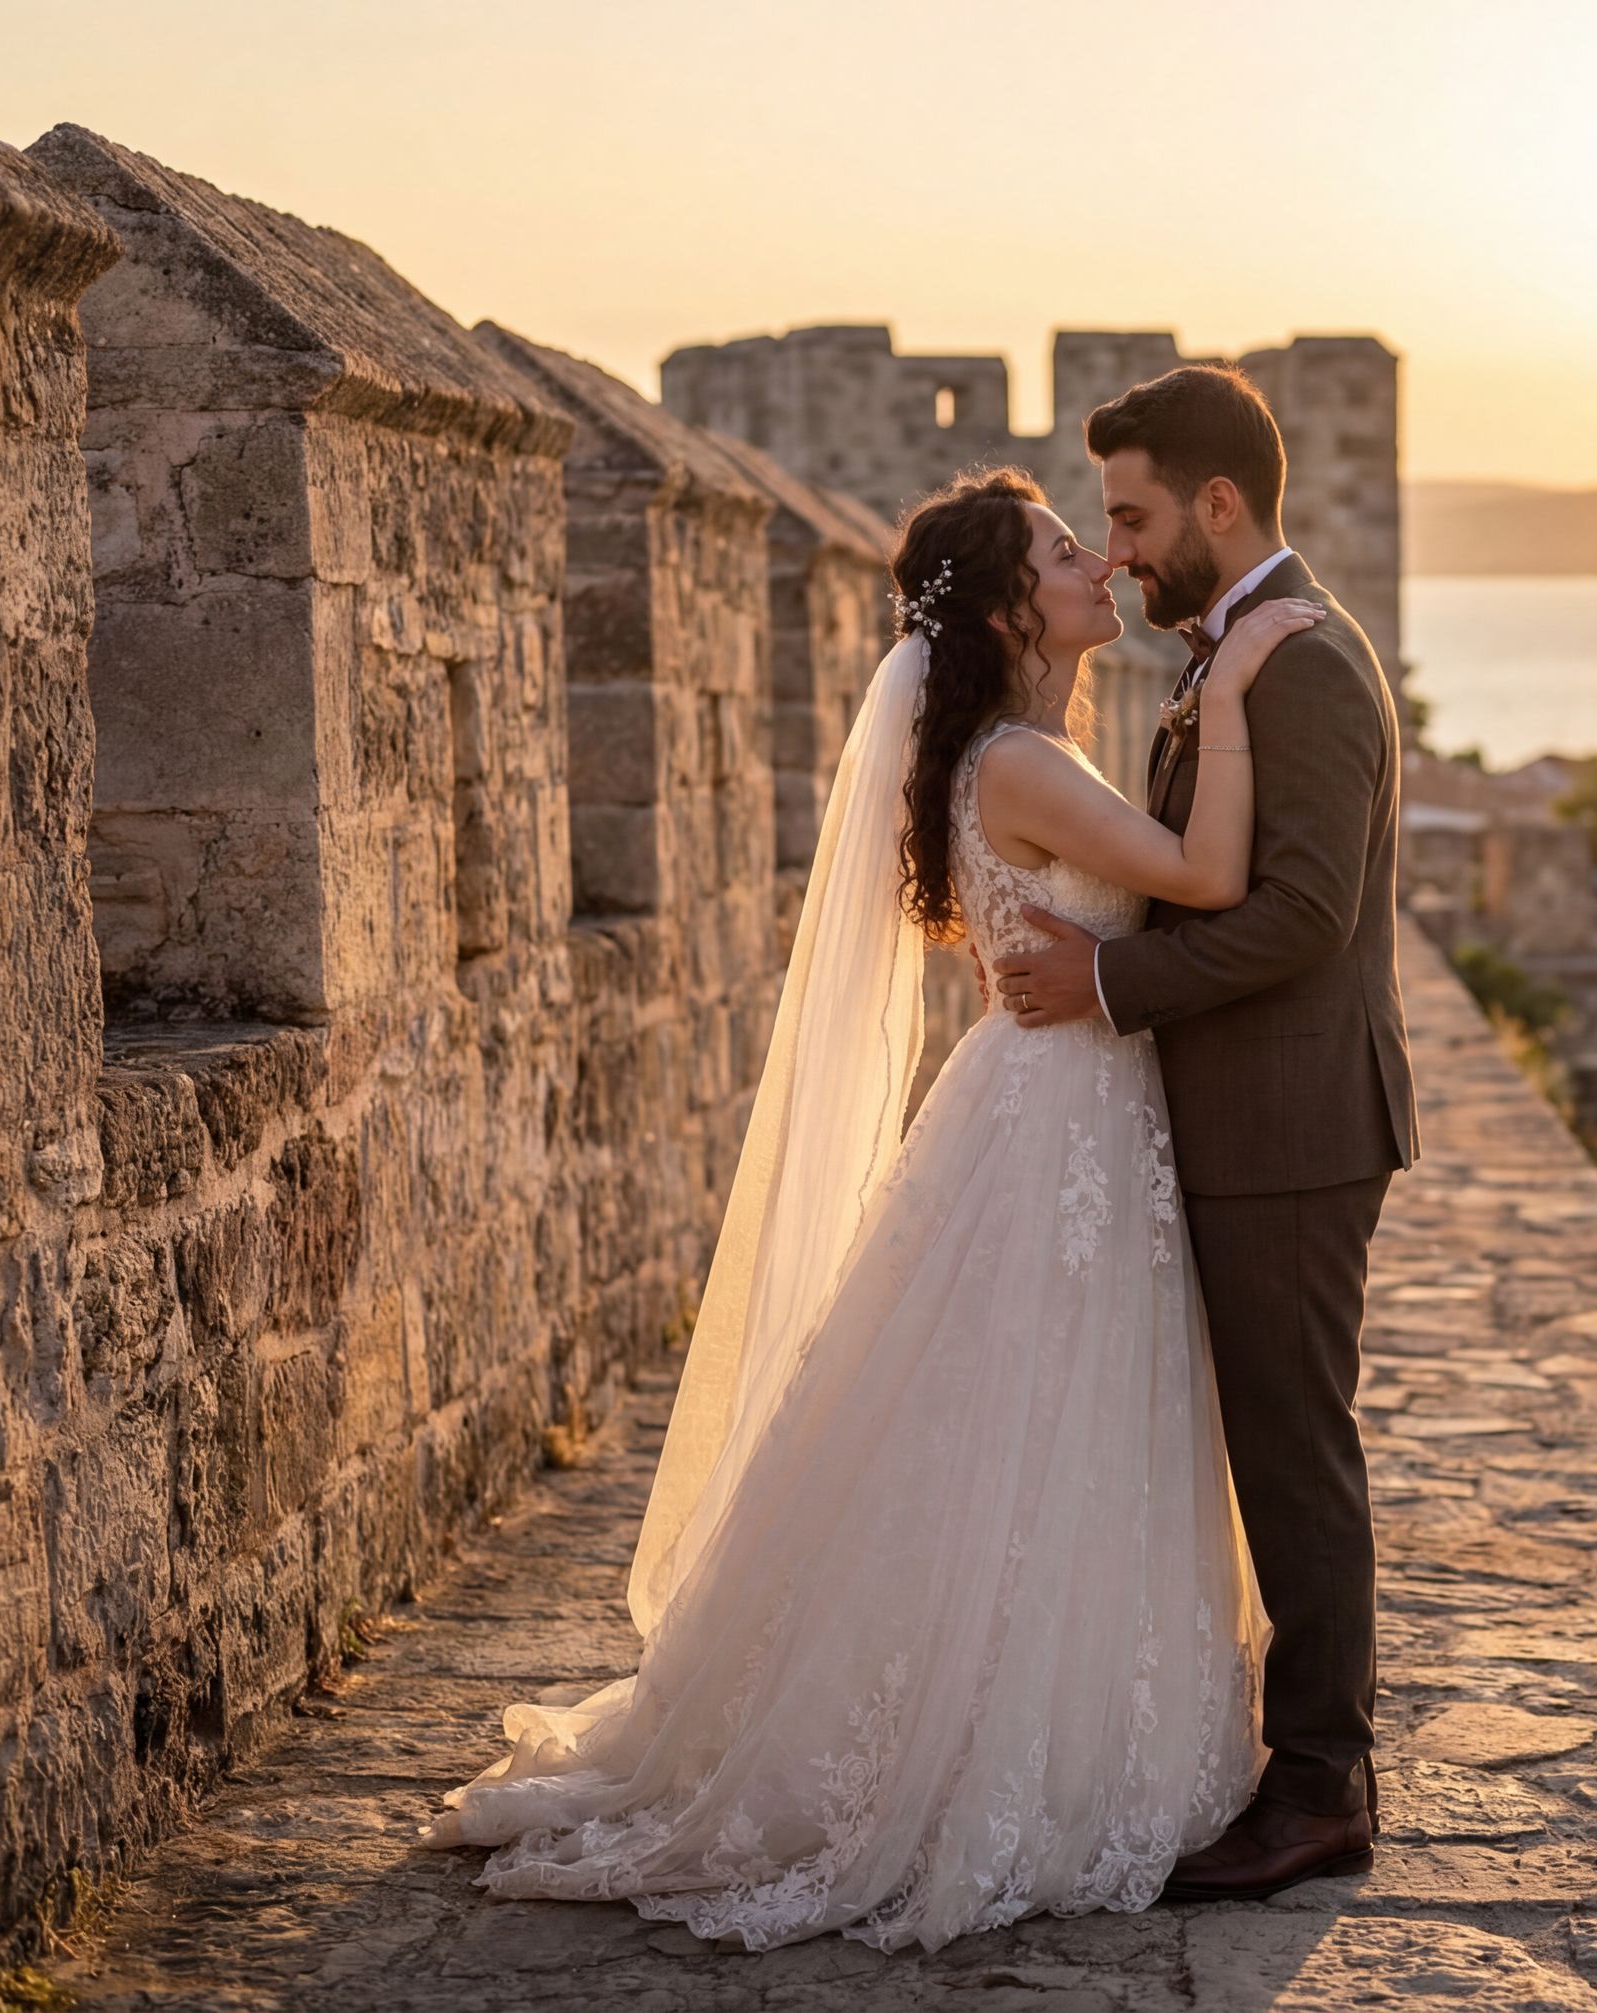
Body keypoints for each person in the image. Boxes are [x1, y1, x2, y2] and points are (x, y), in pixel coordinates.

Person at [423, 467, 1324, 1953]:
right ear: (1005, 605)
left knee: (1030, 1428)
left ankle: (1023, 1708)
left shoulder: (1009, 753)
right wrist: (1230, 687)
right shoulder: (1022, 762)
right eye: (1061, 546)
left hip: (1056, 1115)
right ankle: (985, 1741)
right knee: (1040, 1425)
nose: (1096, 558)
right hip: (1059, 1128)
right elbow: (1214, 874)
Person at [992, 363, 1416, 1900]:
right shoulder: (1231, 649)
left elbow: (1305, 914)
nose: (1116, 547)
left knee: (1296, 1451)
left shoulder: (1297, 662)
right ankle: (1295, 1758)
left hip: (1297, 1121)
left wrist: (1107, 979)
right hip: (1247, 1120)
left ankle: (1322, 1785)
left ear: (1220, 505)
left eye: (1134, 512)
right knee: (1264, 1442)